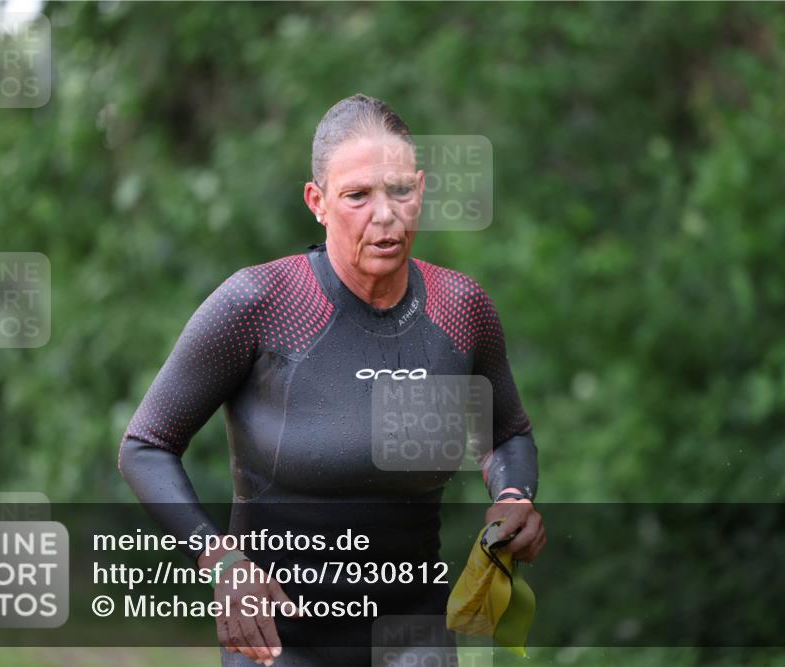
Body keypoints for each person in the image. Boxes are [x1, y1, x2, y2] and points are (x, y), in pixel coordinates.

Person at [118, 93, 544, 666]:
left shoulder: (460, 309)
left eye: (399, 191)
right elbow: (146, 446)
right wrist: (221, 562)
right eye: (357, 196)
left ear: (420, 190)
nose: (384, 214)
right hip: (279, 644)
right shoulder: (261, 303)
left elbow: (505, 435)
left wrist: (513, 498)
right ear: (317, 202)